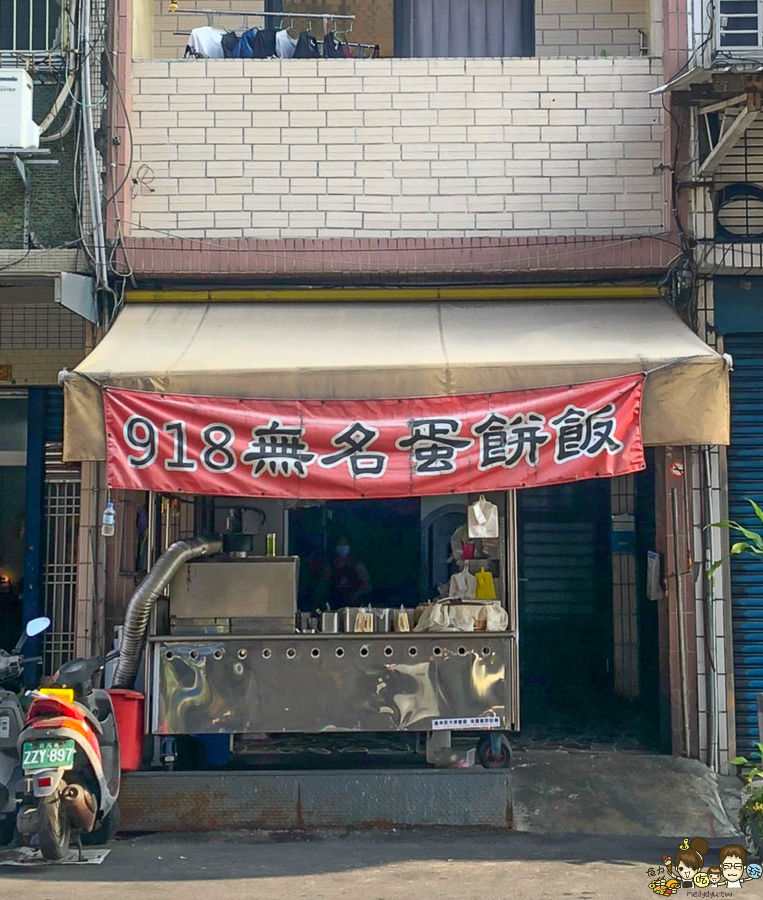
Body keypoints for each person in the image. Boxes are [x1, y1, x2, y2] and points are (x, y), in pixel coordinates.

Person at [330, 537, 370, 607]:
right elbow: (324, 586)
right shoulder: (330, 566)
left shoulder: (357, 565)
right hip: (335, 605)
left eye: (344, 544)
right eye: (340, 545)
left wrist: (356, 595)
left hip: (355, 605)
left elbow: (367, 584)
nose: (342, 547)